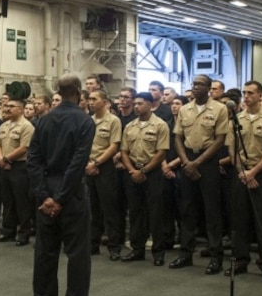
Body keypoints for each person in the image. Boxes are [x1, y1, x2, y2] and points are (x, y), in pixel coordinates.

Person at [27, 74, 101, 296]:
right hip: (71, 196)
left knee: (45, 255)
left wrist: (45, 196)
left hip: (46, 192)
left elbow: (33, 160)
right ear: (79, 92)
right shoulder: (84, 121)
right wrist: (60, 198)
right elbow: (78, 163)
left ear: (59, 91)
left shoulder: (44, 120)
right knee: (78, 257)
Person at [171, 75, 229, 273]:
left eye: (200, 85)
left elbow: (220, 139)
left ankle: (215, 257)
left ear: (208, 88)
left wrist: (197, 162)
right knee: (187, 210)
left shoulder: (219, 109)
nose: (195, 88)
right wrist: (187, 162)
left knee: (212, 212)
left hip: (208, 163)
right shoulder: (185, 109)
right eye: (194, 84)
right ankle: (186, 254)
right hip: (187, 161)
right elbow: (178, 137)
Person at [227, 81, 262, 281]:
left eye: (251, 93)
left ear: (260, 95)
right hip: (241, 173)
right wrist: (244, 172)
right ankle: (240, 261)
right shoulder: (236, 118)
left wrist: (254, 172)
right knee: (239, 220)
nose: (246, 96)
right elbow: (232, 149)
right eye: (244, 93)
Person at [120, 92, 170, 265]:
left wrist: (144, 171)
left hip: (152, 173)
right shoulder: (130, 126)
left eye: (140, 103)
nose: (136, 107)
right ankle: (137, 249)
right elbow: (124, 151)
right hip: (133, 171)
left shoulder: (160, 125)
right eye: (135, 104)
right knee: (135, 212)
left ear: (150, 104)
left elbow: (162, 151)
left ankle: (158, 252)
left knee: (155, 213)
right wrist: (133, 171)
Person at [85, 89, 123, 260]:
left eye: (94, 99)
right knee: (91, 209)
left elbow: (114, 146)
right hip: (88, 166)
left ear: (105, 102)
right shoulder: (88, 121)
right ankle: (93, 244)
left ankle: (114, 247)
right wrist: (88, 164)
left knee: (109, 209)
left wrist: (97, 163)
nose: (90, 102)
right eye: (89, 99)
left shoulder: (113, 121)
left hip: (105, 167)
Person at [0, 98, 35, 245]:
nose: (7, 109)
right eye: (6, 106)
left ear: (21, 109)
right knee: (7, 200)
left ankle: (24, 234)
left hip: (19, 167)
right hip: (4, 166)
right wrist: (1, 159)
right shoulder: (4, 125)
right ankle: (8, 232)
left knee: (21, 201)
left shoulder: (27, 126)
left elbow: (24, 148)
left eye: (12, 106)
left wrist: (5, 159)